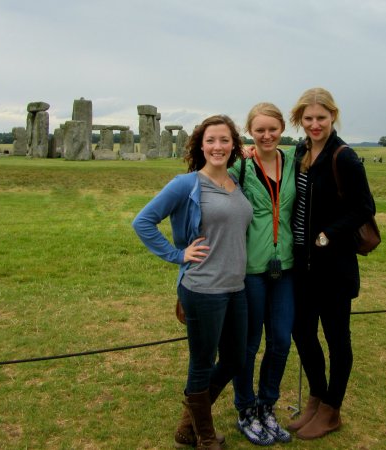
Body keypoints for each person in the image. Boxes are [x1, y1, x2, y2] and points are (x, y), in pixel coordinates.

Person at [132, 115, 253, 449]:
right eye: (210, 140)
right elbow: (143, 221)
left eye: (224, 140)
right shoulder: (186, 184)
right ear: (200, 145)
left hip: (236, 287)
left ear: (234, 145)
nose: (218, 146)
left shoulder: (235, 182)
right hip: (202, 288)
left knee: (235, 359)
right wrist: (177, 254)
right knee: (202, 362)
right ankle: (205, 436)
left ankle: (188, 425)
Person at [287, 87, 375, 440]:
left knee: (337, 338)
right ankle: (317, 397)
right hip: (302, 265)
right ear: (299, 119)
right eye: (308, 118)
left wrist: (328, 234)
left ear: (332, 116)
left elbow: (364, 208)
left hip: (334, 265)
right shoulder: (300, 151)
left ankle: (332, 409)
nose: (315, 124)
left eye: (321, 118)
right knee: (302, 332)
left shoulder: (344, 157)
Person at [228, 103, 296, 446]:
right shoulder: (239, 167)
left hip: (285, 267)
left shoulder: (294, 162)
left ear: (282, 128)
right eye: (260, 130)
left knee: (281, 340)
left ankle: (266, 405)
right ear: (249, 132)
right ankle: (245, 409)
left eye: (273, 129)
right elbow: (205, 177)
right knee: (248, 343)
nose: (267, 135)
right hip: (250, 269)